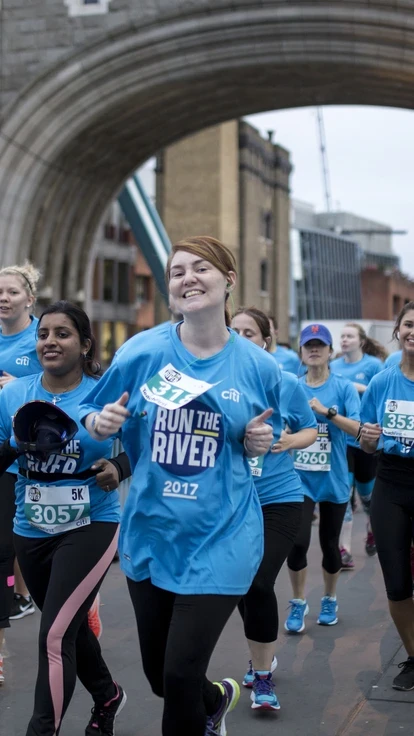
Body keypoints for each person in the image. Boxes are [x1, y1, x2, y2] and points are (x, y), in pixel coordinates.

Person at [80, 236, 281, 736]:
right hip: (151, 535)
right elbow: (89, 412)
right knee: (161, 678)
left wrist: (261, 440)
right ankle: (215, 701)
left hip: (223, 538)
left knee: (178, 673)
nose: (188, 277)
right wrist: (99, 424)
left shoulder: (259, 366)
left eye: (201, 268)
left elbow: (278, 428)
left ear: (228, 280)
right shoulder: (142, 351)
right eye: (177, 272)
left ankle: (199, 702)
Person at [0, 301, 127, 733]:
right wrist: (19, 446)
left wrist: (119, 467)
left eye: (62, 334)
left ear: (85, 344)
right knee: (69, 627)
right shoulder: (13, 395)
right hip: (30, 527)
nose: (49, 341)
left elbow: (146, 448)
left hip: (91, 523)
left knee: (53, 636)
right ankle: (108, 695)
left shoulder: (105, 393)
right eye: (43, 334)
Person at [231, 307, 317, 712]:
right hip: (228, 502)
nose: (243, 337)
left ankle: (263, 678)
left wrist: (288, 442)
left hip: (279, 498)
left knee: (259, 582)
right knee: (238, 585)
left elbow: (310, 428)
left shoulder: (283, 381)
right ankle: (260, 652)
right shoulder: (214, 382)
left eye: (251, 332)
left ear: (266, 341)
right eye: (236, 331)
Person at [285, 324, 360, 632]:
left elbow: (357, 429)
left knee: (330, 546)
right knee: (297, 543)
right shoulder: (292, 386)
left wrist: (326, 413)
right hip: (298, 479)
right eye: (308, 345)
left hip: (333, 479)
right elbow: (283, 424)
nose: (314, 349)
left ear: (331, 351)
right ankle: (299, 601)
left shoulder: (343, 388)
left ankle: (329, 597)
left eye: (320, 345)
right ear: (302, 353)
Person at [360, 301, 414, 691]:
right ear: (398, 330)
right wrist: (367, 438)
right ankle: (413, 657)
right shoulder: (383, 382)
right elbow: (365, 442)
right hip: (391, 484)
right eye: (409, 324)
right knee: (396, 581)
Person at [0, 262, 43, 680]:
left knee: (15, 534)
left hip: (26, 452)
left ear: (29, 298)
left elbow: (60, 380)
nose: (3, 298)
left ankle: (23, 591)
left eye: (11, 291)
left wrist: (17, 385)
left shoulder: (41, 337)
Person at [330, 323, 384, 566]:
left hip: (366, 439)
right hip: (342, 439)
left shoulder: (373, 365)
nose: (344, 340)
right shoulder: (334, 366)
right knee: (345, 493)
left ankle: (373, 530)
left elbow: (380, 395)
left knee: (367, 495)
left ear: (361, 341)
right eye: (342, 336)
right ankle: (344, 550)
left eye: (349, 336)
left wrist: (358, 387)